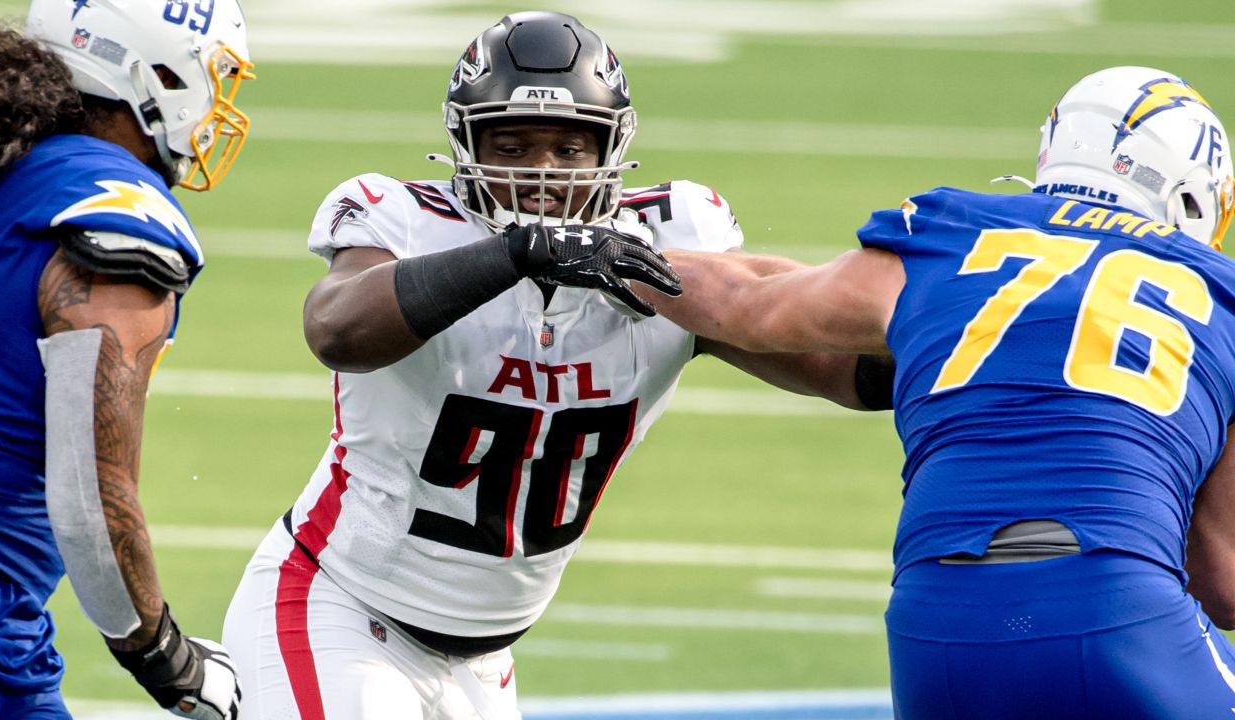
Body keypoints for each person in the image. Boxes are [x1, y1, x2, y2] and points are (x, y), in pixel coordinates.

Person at [222, 11, 892, 720]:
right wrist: (518, 254)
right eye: (511, 145)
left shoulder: (662, 247)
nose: (542, 172)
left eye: (570, 148)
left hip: (483, 663)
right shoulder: (407, 223)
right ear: (467, 142)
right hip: (340, 607)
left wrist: (956, 324)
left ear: (611, 148)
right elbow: (336, 330)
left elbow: (851, 373)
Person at [649, 65, 1235, 718]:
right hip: (1119, 614)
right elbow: (1222, 580)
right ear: (1194, 196)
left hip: (935, 626)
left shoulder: (947, 234)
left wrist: (580, 248)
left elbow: (745, 306)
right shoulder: (1220, 294)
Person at [0, 1, 256, 718]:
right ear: (155, 73)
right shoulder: (110, 207)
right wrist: (169, 661)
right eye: (213, 77)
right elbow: (88, 495)